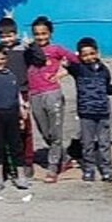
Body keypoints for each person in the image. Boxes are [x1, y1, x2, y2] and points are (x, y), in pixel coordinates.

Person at [27, 16, 79, 183]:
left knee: (55, 133)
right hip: (34, 95)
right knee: (45, 132)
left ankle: (52, 168)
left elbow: (76, 60)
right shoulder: (29, 51)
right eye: (37, 34)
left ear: (50, 33)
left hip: (53, 94)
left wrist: (63, 73)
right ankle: (64, 158)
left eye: (44, 33)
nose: (40, 37)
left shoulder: (56, 49)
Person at [65, 37, 112, 182]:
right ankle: (89, 169)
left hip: (103, 112)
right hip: (86, 113)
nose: (89, 58)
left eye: (92, 54)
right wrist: (67, 63)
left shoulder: (104, 70)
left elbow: (107, 87)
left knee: (104, 143)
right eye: (85, 55)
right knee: (87, 143)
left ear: (97, 53)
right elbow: (69, 64)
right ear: (79, 56)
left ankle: (106, 169)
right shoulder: (79, 69)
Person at [0, 17, 45, 179]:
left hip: (22, 93)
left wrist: (33, 45)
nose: (7, 39)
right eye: (3, 36)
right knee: (5, 131)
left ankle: (27, 162)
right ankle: (9, 164)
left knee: (25, 129)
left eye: (10, 35)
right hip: (1, 95)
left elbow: (40, 60)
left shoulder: (23, 49)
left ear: (16, 34)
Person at [0, 44, 31, 192]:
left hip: (12, 113)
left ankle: (20, 176)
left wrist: (22, 109)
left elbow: (16, 94)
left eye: (2, 58)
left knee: (16, 145)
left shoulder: (11, 75)